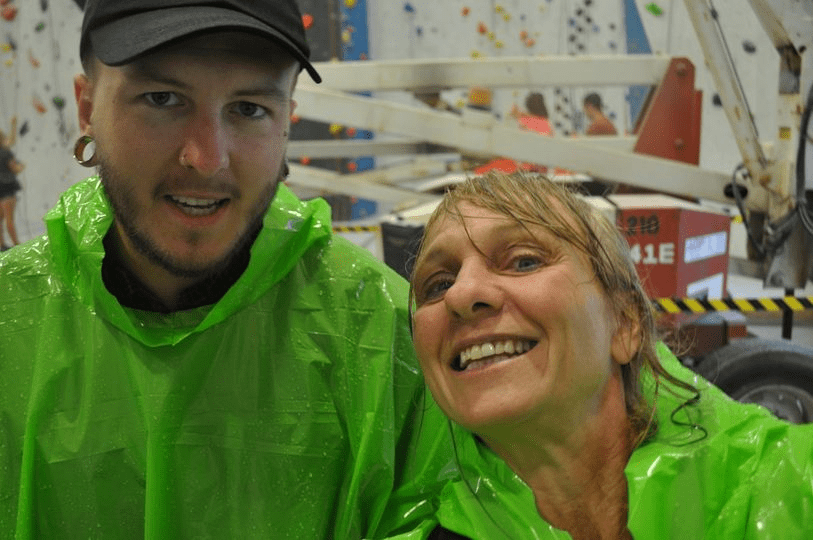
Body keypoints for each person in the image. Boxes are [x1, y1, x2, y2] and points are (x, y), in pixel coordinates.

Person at [0, 1, 455, 538]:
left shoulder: (382, 331)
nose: (207, 157)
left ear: (286, 119)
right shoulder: (12, 322)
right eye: (162, 99)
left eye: (248, 109)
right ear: (86, 107)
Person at [409, 171, 813, 539]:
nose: (460, 295)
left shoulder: (790, 485)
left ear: (625, 324)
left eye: (524, 261)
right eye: (437, 284)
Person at [0, 115, 23, 250]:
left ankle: (1, 245)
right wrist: (21, 167)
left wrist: (13, 125)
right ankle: (17, 245)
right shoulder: (5, 153)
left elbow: (11, 141)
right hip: (7, 189)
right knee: (9, 219)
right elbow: (14, 168)